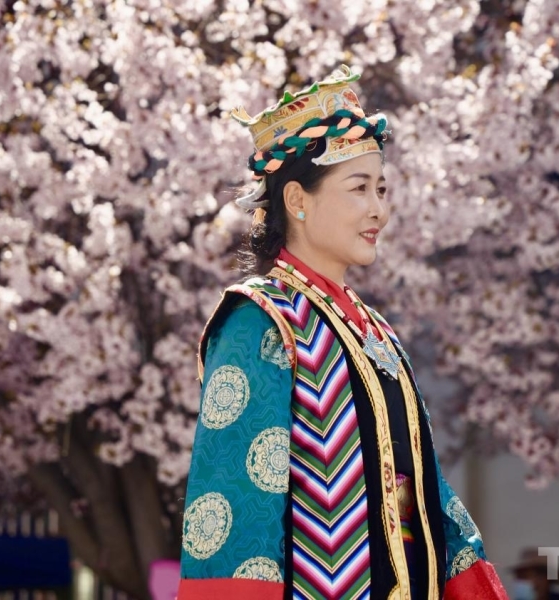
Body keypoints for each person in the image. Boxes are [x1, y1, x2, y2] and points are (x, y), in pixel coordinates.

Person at [177, 65, 508, 599]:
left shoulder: (374, 329)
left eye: (381, 189)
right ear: (297, 201)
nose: (379, 209)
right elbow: (236, 502)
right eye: (359, 188)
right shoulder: (261, 320)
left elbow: (425, 487)